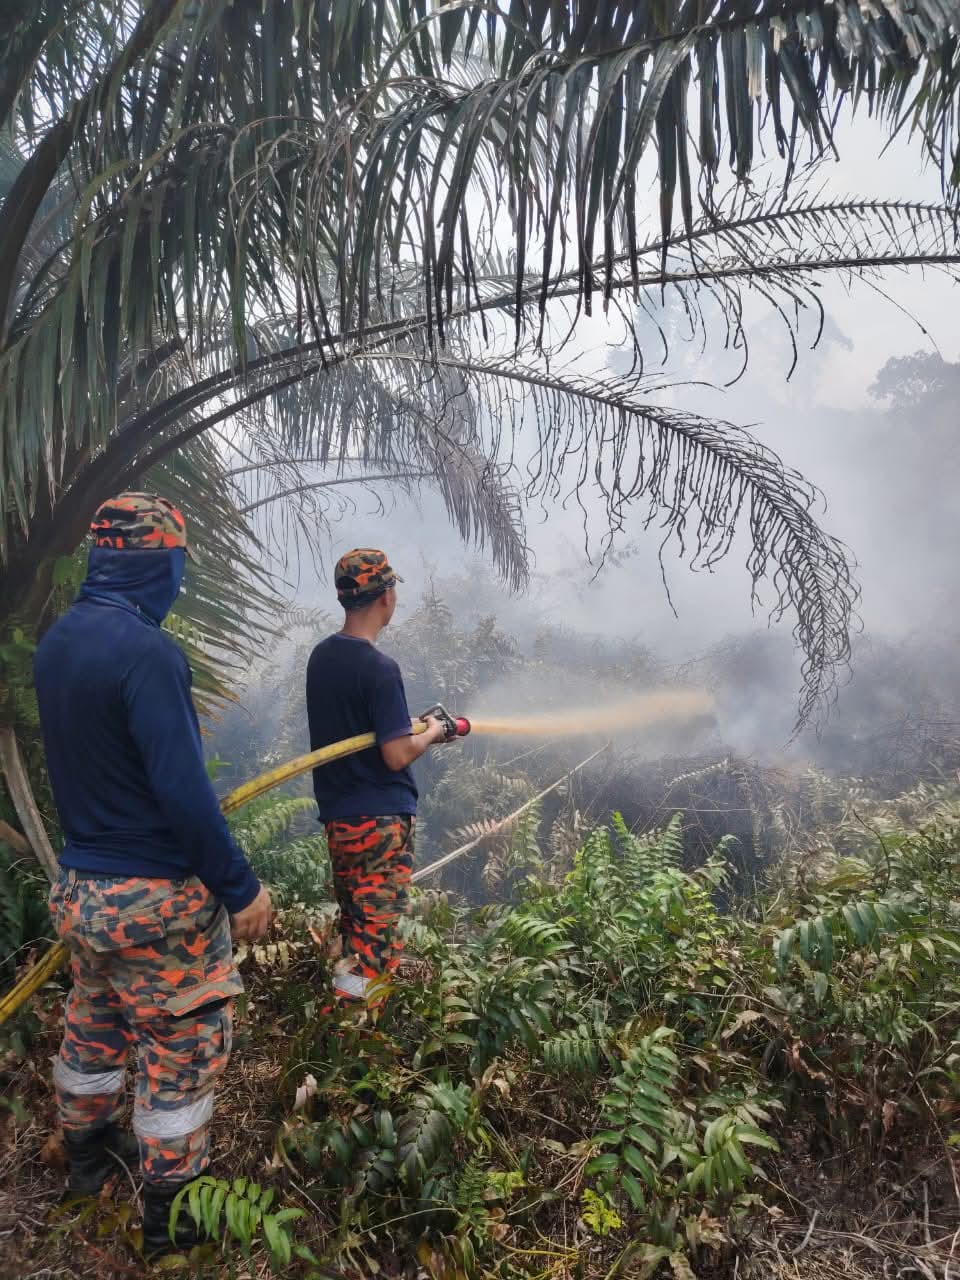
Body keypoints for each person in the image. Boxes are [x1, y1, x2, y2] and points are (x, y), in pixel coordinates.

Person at [33, 493, 272, 1258]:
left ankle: (84, 1164)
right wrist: (240, 887)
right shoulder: (149, 654)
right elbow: (183, 794)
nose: (177, 579)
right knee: (180, 1048)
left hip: (82, 893)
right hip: (156, 903)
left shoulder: (58, 642)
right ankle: (172, 1223)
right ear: (153, 564)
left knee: (94, 1027)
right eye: (176, 564)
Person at [305, 549, 447, 1005]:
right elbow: (395, 754)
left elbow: (361, 727)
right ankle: (356, 1039)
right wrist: (435, 733)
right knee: (376, 944)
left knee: (356, 930)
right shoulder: (379, 667)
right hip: (378, 825)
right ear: (386, 596)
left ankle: (341, 1023)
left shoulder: (322, 658)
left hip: (341, 821)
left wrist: (411, 727)